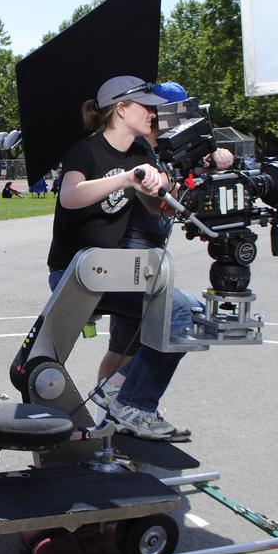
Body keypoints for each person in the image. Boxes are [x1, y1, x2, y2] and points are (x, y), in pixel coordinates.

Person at [47, 75, 204, 441]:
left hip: (111, 272)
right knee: (177, 311)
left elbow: (153, 206)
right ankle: (132, 402)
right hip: (75, 272)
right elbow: (69, 196)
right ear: (120, 109)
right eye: (145, 106)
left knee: (189, 313)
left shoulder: (139, 154)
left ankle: (121, 393)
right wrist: (127, 180)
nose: (153, 112)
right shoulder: (86, 150)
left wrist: (162, 192)